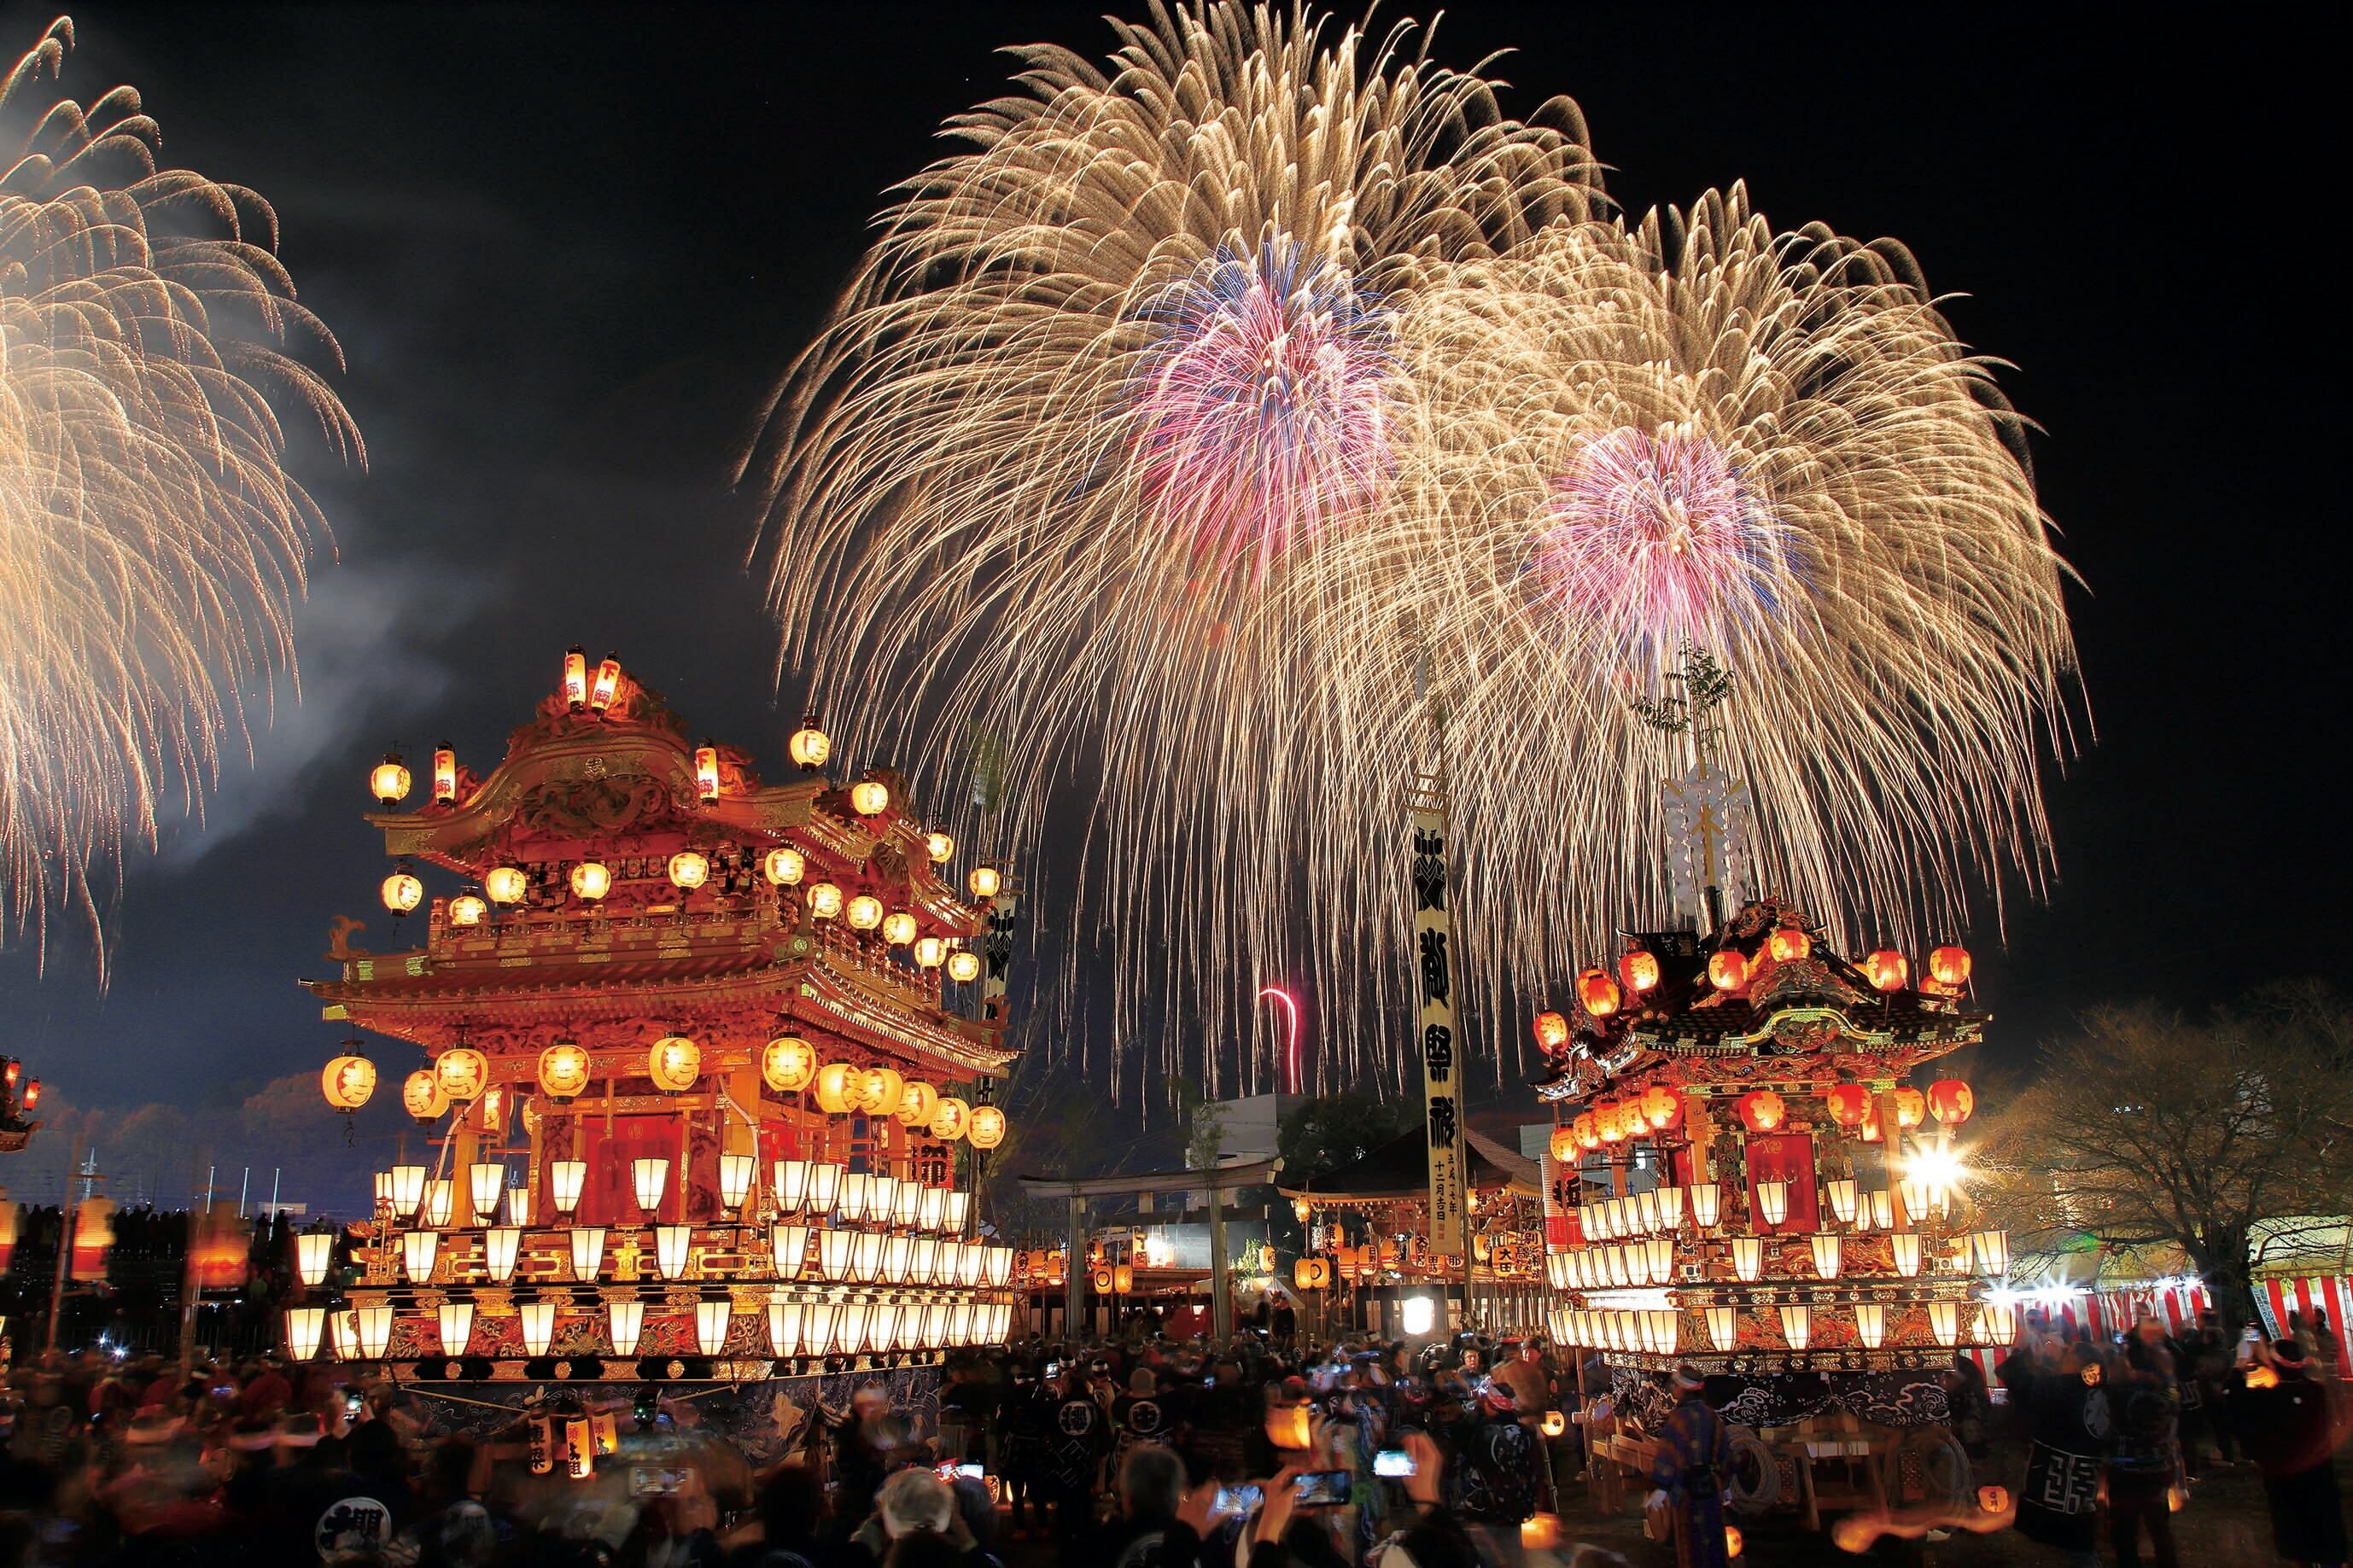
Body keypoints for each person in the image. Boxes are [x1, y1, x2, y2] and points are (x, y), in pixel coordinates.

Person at [1999, 1331, 2113, 1568]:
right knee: (2078, 1538)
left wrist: (2026, 1354)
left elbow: (2017, 1381)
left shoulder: (2063, 1387)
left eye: (2069, 1353)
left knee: (2074, 1547)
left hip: (2060, 1473)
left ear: (2076, 1363)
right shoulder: (2099, 1389)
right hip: (2085, 1470)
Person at [2241, 1339, 2350, 1568]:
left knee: (2298, 1532)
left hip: (2287, 1474)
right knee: (2324, 1524)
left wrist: (2242, 1365)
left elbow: (2238, 1405)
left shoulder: (2269, 1399)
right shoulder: (2316, 1391)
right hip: (2319, 1471)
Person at [2107, 1326, 2181, 1568]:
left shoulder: (2117, 1394)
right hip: (2159, 1468)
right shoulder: (2167, 1392)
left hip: (2125, 1471)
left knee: (2124, 1531)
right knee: (2160, 1527)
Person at [1644, 1365, 1731, 1568]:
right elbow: (1725, 1453)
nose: (1673, 1390)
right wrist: (1726, 1485)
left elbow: (1668, 1456)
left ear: (1682, 1389)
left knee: (1691, 1542)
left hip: (1687, 1492)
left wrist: (1661, 1489)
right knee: (1714, 1538)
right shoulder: (1712, 1417)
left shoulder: (1678, 1419)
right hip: (1712, 1488)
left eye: (1675, 1385)